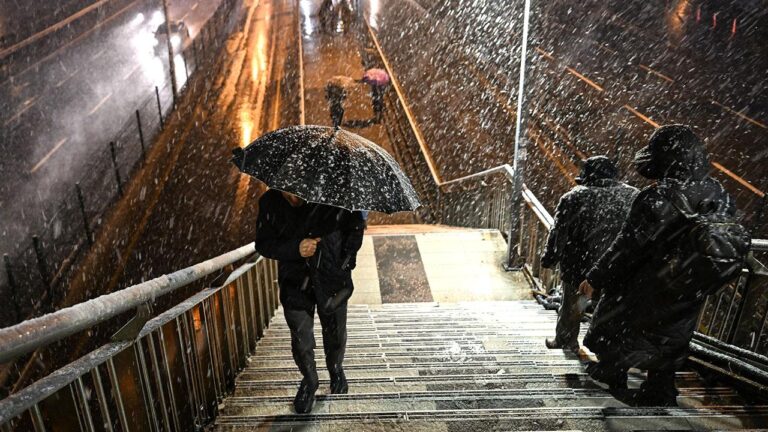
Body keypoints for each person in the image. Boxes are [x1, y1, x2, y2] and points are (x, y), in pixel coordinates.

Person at [579, 125, 738, 406]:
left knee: (621, 324)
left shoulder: (657, 198)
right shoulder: (719, 194)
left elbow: (626, 247)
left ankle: (612, 374)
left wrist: (596, 276)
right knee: (671, 335)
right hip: (688, 284)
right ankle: (660, 390)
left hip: (648, 283)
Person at [255, 189, 366, 413]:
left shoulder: (336, 194)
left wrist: (346, 260)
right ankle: (310, 380)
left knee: (335, 333)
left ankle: (335, 369)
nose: (293, 198)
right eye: (286, 192)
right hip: (295, 283)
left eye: (295, 193)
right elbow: (263, 244)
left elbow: (355, 228)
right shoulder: (270, 202)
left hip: (331, 277)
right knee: (301, 340)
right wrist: (296, 248)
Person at [541, 156, 638, 353]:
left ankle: (567, 341)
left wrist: (550, 258)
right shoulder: (633, 196)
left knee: (573, 306)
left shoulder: (573, 197)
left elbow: (559, 232)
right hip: (617, 265)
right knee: (611, 309)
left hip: (580, 265)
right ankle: (608, 349)